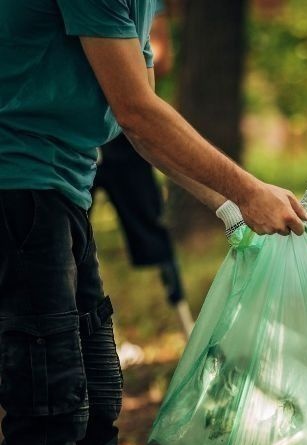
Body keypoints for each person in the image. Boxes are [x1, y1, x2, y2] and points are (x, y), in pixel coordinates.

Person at [0, 1, 307, 445]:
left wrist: (232, 208)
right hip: (18, 184)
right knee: (49, 399)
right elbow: (135, 110)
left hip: (63, 188)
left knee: (96, 392)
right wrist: (249, 189)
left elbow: (140, 128)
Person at [91, 3, 194, 334]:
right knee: (72, 236)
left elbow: (161, 59)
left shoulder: (150, 6)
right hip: (79, 138)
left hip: (126, 139)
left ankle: (185, 326)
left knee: (153, 228)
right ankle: (98, 335)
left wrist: (122, 59)